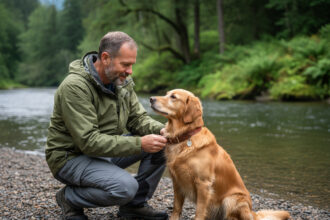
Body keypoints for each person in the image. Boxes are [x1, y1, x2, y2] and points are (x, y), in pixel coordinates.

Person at [45, 31, 168, 220]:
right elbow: (88, 141)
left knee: (163, 145)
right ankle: (69, 198)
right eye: (125, 64)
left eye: (132, 65)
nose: (130, 71)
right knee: (125, 188)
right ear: (105, 58)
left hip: (102, 152)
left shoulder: (121, 82)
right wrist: (140, 144)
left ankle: (134, 207)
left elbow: (137, 119)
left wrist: (163, 130)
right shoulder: (74, 87)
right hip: (69, 157)